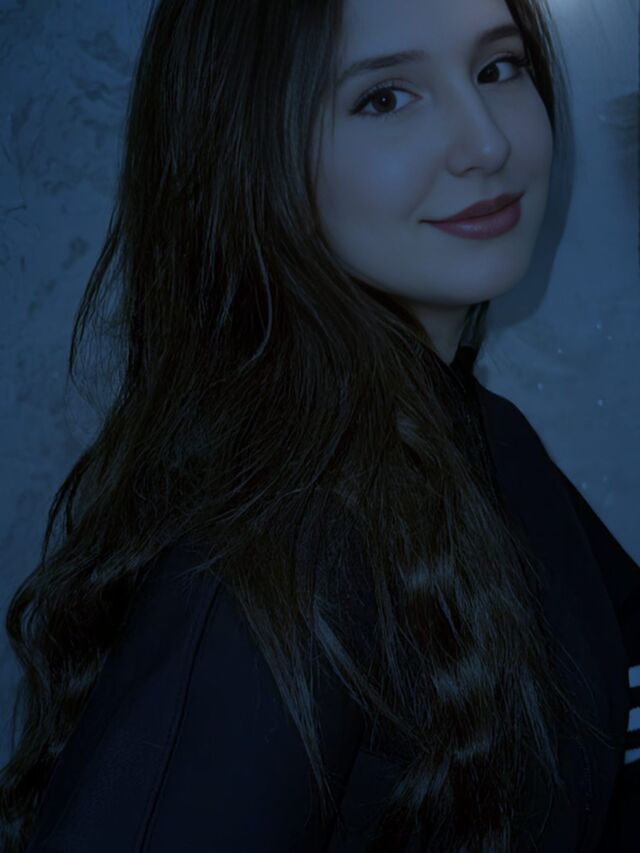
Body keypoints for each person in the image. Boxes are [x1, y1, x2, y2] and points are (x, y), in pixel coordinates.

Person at [1, 0, 638, 850]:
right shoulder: (283, 542)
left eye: (497, 68)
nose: (486, 142)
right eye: (384, 98)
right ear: (251, 153)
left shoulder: (485, 438)